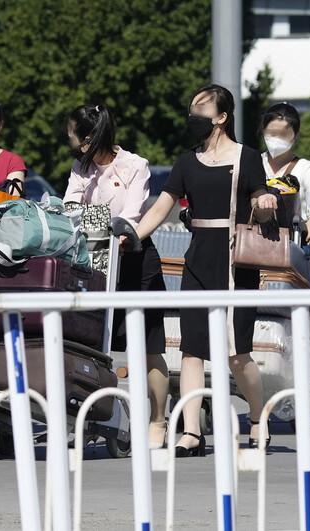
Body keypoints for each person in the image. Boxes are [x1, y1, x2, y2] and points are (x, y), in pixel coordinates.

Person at [132, 84, 278, 455]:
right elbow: (161, 206)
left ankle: (259, 418)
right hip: (197, 259)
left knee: (236, 353)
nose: (193, 118)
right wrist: (131, 235)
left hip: (235, 262)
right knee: (192, 349)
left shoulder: (247, 157)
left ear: (222, 117)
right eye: (191, 111)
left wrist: (264, 202)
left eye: (201, 111)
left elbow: (260, 201)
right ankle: (192, 432)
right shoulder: (185, 161)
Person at [63, 103, 169, 449]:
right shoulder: (80, 168)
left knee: (148, 346)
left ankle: (157, 419)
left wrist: (121, 232)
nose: (70, 139)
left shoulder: (136, 165)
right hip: (95, 261)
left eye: (73, 133)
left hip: (136, 259)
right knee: (95, 345)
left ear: (88, 137)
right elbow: (70, 208)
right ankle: (98, 413)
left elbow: (133, 213)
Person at [259, 102, 310, 263]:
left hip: (295, 241)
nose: (276, 139)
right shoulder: (254, 163)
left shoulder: (305, 167)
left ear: (295, 135)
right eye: (272, 133)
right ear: (263, 131)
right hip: (257, 240)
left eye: (283, 135)